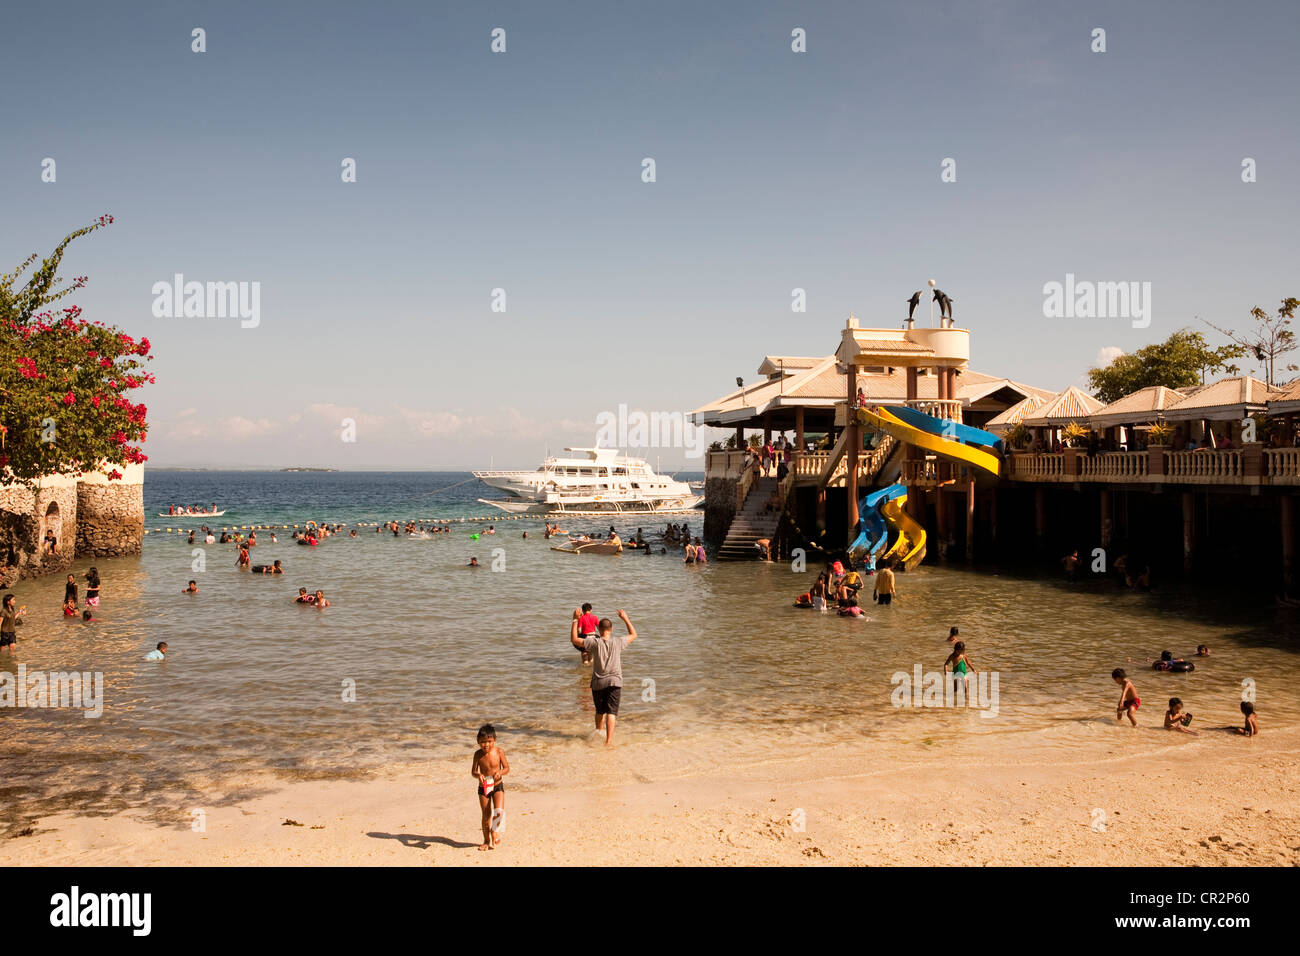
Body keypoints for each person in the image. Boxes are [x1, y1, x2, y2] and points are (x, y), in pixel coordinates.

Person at [570, 609, 637, 747]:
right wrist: (625, 618)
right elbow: (634, 634)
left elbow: (575, 640)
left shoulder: (594, 642)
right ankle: (608, 742)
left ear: (598, 629)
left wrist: (575, 620)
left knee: (600, 711)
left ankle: (598, 733)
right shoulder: (618, 642)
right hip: (615, 682)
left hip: (598, 682)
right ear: (611, 629)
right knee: (611, 712)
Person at [471, 723, 509, 850]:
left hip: (497, 785)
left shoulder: (499, 752)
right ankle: (486, 841)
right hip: (483, 787)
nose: (486, 745)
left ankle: (495, 832)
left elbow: (507, 768)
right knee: (486, 815)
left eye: (489, 741)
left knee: (499, 811)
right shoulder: (477, 755)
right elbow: (473, 771)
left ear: (494, 740)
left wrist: (500, 772)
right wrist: (479, 775)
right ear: (478, 741)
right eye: (482, 742)